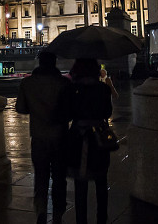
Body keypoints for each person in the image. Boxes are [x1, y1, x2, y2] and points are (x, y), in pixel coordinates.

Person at [16, 51, 73, 224]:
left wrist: (37, 108)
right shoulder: (64, 83)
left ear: (39, 63)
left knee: (40, 177)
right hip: (60, 137)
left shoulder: (27, 83)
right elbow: (70, 112)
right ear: (54, 62)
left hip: (39, 136)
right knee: (59, 178)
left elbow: (21, 108)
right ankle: (58, 213)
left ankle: (40, 210)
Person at [67, 58, 113, 224]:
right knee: (101, 180)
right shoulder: (103, 89)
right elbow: (107, 112)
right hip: (99, 137)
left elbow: (69, 113)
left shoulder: (73, 89)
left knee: (81, 183)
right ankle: (102, 218)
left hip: (78, 138)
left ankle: (81, 220)